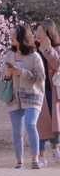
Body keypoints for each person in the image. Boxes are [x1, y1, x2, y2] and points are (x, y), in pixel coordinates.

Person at [3, 25, 46, 170]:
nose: (11, 38)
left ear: (22, 37)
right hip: (14, 97)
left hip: (33, 96)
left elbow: (41, 77)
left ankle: (35, 158)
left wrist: (22, 72)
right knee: (17, 130)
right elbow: (3, 76)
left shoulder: (35, 56)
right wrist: (8, 74)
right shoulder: (9, 55)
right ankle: (19, 161)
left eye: (14, 35)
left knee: (30, 124)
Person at [31, 23, 60, 164]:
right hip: (37, 90)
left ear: (48, 33)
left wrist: (48, 50)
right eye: (37, 30)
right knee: (39, 122)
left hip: (52, 90)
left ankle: (55, 149)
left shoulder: (56, 48)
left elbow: (57, 65)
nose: (37, 33)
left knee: (55, 122)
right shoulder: (33, 48)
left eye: (40, 30)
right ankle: (41, 155)